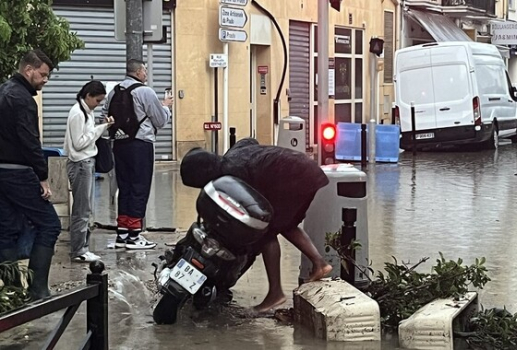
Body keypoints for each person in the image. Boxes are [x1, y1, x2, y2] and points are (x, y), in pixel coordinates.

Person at [180, 140, 333, 313]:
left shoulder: (233, 175)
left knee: (266, 233)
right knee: (286, 226)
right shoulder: (231, 158)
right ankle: (320, 264)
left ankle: (276, 293)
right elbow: (249, 141)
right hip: (304, 169)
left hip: (296, 177)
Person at [0, 49, 62, 300]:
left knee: (6, 229)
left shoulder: (3, 91)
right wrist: (42, 176)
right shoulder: (23, 99)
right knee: (50, 225)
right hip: (19, 173)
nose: (45, 80)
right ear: (28, 70)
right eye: (43, 74)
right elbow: (30, 141)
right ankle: (38, 291)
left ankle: (13, 291)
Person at [101, 59, 173, 250]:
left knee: (124, 187)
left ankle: (122, 233)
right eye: (145, 71)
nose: (146, 74)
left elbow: (104, 117)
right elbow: (160, 121)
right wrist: (166, 107)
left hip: (119, 144)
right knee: (139, 186)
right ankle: (135, 235)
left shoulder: (114, 92)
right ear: (139, 72)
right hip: (141, 144)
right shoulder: (145, 91)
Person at [64, 81, 114, 262]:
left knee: (86, 208)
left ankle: (82, 248)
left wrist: (100, 127)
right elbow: (79, 142)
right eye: (98, 100)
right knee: (82, 209)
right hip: (80, 163)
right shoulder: (78, 113)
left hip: (85, 162)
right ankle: (79, 250)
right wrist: (101, 129)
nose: (98, 104)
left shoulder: (87, 112)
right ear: (89, 96)